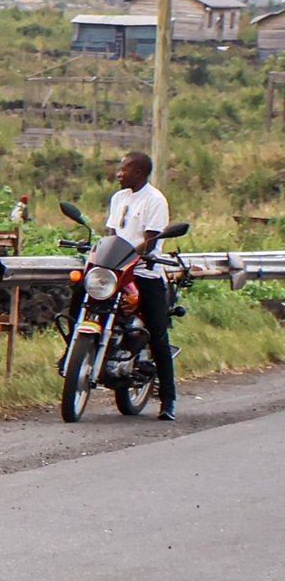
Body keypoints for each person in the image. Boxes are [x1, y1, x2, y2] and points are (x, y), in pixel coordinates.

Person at [106, 152, 177, 420]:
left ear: (138, 173)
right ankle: (73, 354)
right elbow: (112, 234)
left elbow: (150, 240)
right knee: (83, 293)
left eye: (124, 169)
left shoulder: (155, 201)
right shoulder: (118, 198)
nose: (119, 173)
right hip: (116, 271)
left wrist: (129, 257)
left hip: (144, 273)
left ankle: (168, 400)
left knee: (158, 334)